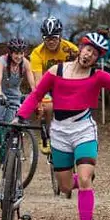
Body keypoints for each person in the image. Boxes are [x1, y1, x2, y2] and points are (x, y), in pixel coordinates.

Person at [16, 31, 110, 220]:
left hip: (84, 130)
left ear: (97, 59)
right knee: (65, 186)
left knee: (85, 179)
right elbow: (36, 95)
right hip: (60, 132)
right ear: (80, 48)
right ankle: (80, 181)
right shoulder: (56, 71)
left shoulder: (97, 76)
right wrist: (20, 116)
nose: (89, 55)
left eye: (94, 54)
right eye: (87, 50)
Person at [29, 16, 78, 154]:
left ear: (60, 36)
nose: (51, 42)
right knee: (48, 106)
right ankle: (47, 135)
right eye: (47, 38)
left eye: (54, 38)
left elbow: (80, 71)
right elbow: (38, 81)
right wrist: (39, 101)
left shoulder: (71, 50)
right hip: (47, 85)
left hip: (67, 84)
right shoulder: (37, 53)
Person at [0, 38, 35, 145]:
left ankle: (3, 152)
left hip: (14, 95)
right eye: (16, 53)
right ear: (10, 52)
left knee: (9, 124)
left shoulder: (25, 63)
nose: (19, 56)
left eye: (21, 53)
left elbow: (32, 84)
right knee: (0, 104)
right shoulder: (1, 61)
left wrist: (37, 96)